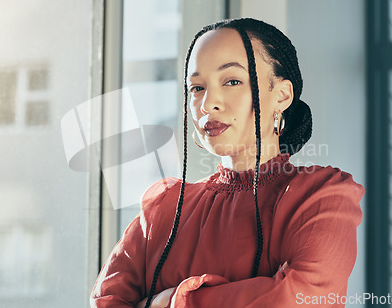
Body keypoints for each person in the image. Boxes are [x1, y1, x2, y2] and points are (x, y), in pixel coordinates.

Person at [90, 18, 364, 308]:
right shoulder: (163, 210)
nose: (208, 104)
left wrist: (172, 300)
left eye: (232, 81)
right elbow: (106, 301)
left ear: (282, 95)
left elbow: (304, 298)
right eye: (196, 88)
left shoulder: (322, 196)